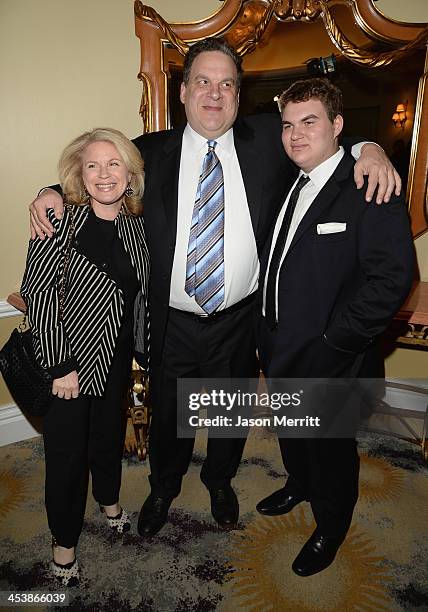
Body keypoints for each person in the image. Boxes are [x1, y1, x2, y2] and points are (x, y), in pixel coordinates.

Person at [28, 38, 401, 538]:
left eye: (227, 83)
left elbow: (326, 136)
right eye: (202, 81)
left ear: (239, 95)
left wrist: (369, 148)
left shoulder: (270, 139)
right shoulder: (149, 153)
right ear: (183, 92)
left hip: (239, 319)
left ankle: (220, 479)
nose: (214, 93)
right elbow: (95, 170)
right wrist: (48, 191)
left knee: (229, 413)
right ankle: (164, 486)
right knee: (170, 419)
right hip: (172, 321)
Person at [255, 78, 414, 577]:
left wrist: (334, 343)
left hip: (330, 355)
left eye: (310, 122)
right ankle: (298, 484)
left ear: (337, 126)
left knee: (329, 448)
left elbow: (393, 278)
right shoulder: (287, 177)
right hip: (278, 344)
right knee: (291, 432)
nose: (296, 135)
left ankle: (331, 523)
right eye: (288, 125)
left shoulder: (368, 183)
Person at [21, 128, 149, 585]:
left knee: (107, 437)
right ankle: (64, 542)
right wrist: (60, 366)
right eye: (92, 165)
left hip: (114, 360)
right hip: (68, 364)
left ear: (129, 173)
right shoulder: (59, 218)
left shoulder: (137, 224)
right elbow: (39, 294)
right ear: (79, 174)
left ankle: (110, 500)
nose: (103, 174)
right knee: (67, 456)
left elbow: (139, 296)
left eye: (113, 164)